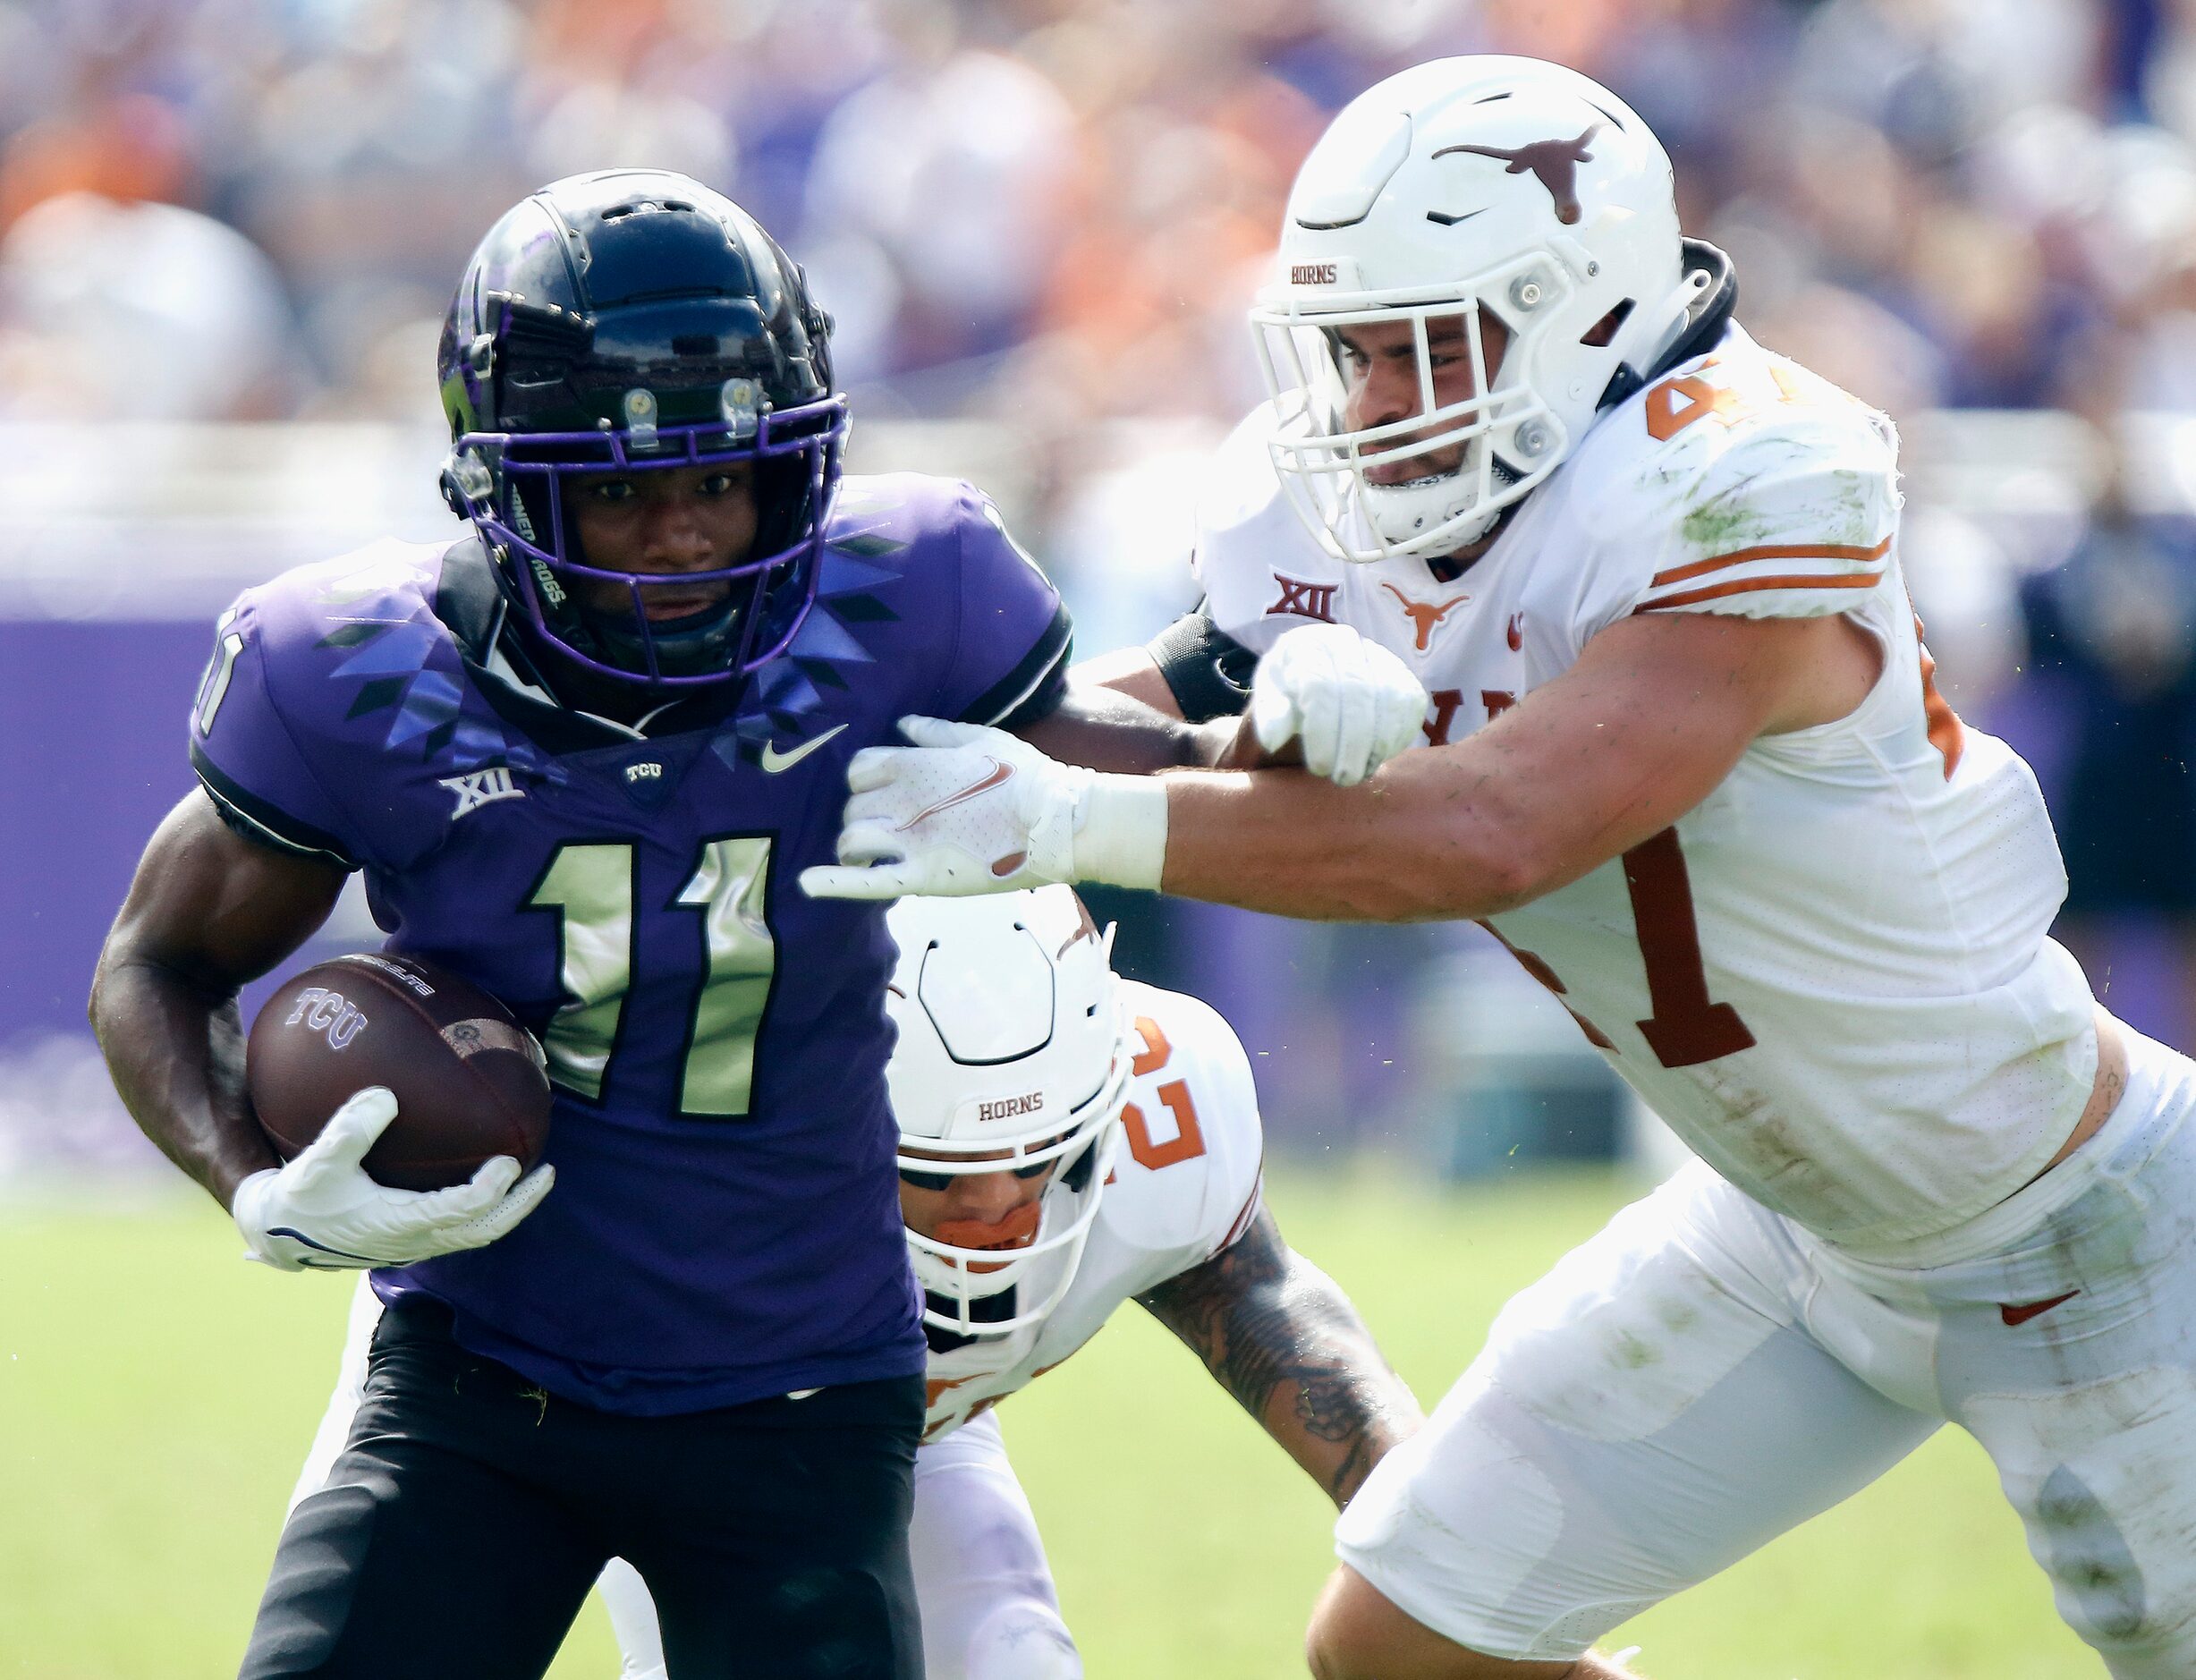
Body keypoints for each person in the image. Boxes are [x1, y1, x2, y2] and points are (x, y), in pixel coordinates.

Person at [803, 56, 2196, 1680]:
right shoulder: (1352, 509)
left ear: (1585, 311)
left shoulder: (1732, 472)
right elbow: (1146, 708)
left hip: (2080, 1226)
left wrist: (1056, 815)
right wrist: (889, 751)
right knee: (1409, 1647)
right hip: (1791, 1230)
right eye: (1355, 351)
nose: (1378, 401)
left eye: (1424, 347)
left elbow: (1495, 828)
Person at [87, 168, 1327, 1679]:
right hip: (480, 1374)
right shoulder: (353, 671)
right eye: (616, 487)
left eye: (723, 478)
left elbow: (1134, 766)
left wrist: (1287, 724)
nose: (682, 534)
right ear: (502, 484)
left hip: (798, 1391)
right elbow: (157, 961)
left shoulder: (904, 592)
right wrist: (245, 1178)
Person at [290, 887, 1423, 1679]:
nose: (1001, 1214)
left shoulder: (1171, 1108)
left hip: (865, 1422)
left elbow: (1252, 1295)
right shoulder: (665, 1180)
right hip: (555, 1393)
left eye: (1046, 1156)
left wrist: (1446, 1554)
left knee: (1015, 1660)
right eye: (937, 1176)